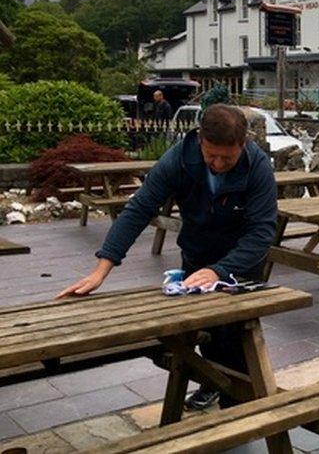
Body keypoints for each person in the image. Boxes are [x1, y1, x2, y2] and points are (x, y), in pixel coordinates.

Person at [57, 104, 278, 410]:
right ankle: (213, 382)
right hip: (197, 253)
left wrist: (220, 270)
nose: (216, 163)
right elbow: (138, 209)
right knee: (201, 330)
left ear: (243, 145)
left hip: (240, 260)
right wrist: (102, 269)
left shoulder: (258, 167)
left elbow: (262, 232)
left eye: (227, 158)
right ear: (200, 140)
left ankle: (237, 402)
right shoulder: (178, 159)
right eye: (210, 155)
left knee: (235, 334)